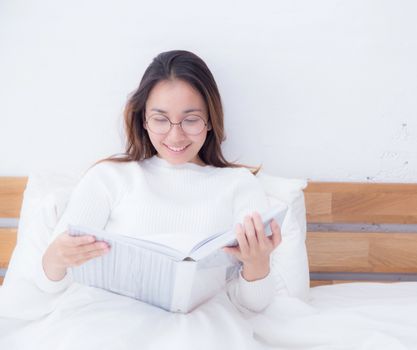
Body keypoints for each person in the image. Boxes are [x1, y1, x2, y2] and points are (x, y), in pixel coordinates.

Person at [36, 50, 283, 313]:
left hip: (202, 327)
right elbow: (48, 285)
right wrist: (56, 258)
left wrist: (258, 264)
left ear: (210, 120)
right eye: (160, 119)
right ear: (143, 119)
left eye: (190, 120)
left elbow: (254, 306)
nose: (175, 137)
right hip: (111, 321)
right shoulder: (108, 177)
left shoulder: (239, 185)